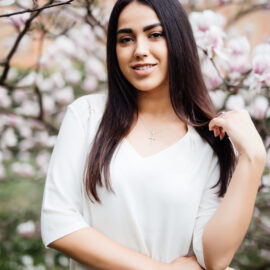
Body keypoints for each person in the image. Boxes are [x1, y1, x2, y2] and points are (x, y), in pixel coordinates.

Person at [40, 0, 266, 269]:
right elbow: (59, 223)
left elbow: (213, 258)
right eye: (126, 39)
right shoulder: (87, 115)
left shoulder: (210, 141)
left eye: (155, 35)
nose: (140, 50)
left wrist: (253, 159)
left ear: (178, 41)